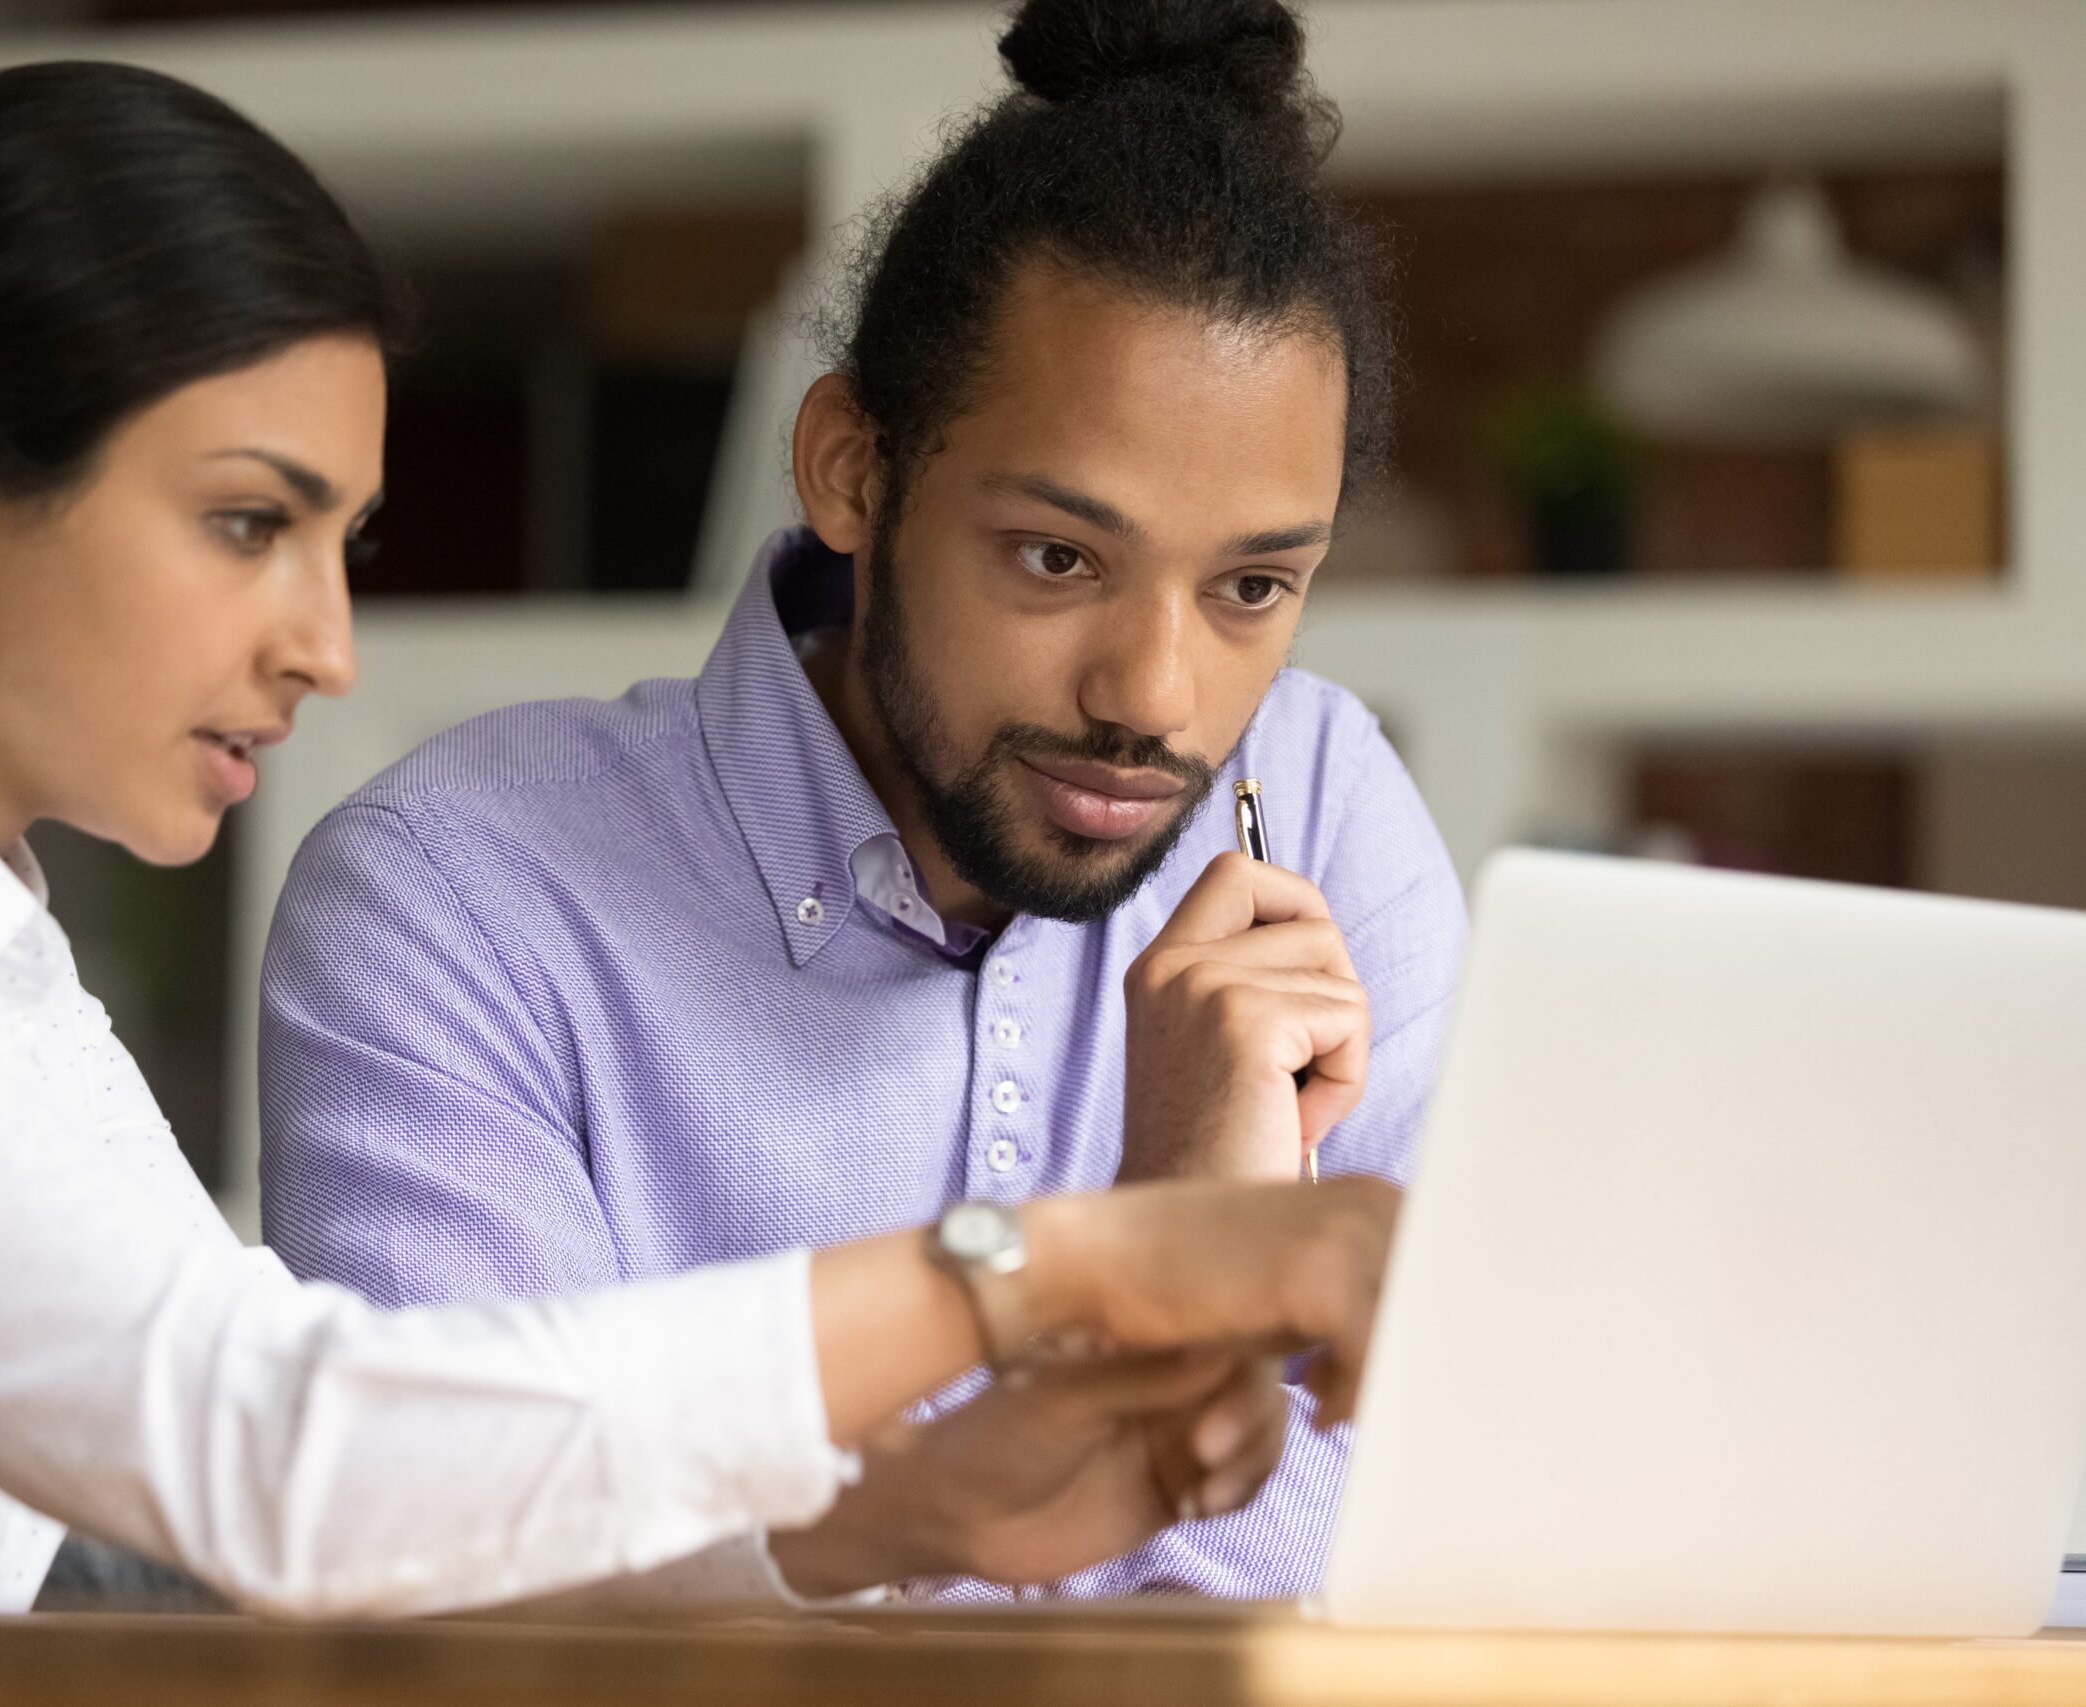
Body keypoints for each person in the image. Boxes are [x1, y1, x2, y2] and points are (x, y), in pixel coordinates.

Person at [0, 60, 1400, 1615]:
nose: (322, 647)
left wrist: (901, 1516)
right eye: (248, 525)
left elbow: (398, 1486)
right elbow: (266, 1449)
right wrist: (1051, 1268)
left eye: (335, 547)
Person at [259, 0, 1464, 1605]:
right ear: (849, 468)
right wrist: (1177, 1258)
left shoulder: (1322, 804)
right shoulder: (453, 899)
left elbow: (1437, 1533)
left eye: (1252, 585)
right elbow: (472, 1590)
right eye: (1058, 558)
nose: (1156, 699)